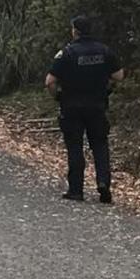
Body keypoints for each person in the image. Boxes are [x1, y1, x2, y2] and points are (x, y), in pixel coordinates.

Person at [45, 15, 125, 203]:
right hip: (97, 105)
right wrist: (108, 90)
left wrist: (57, 96)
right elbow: (119, 76)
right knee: (100, 144)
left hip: (71, 106)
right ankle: (103, 183)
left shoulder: (67, 53)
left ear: (75, 30)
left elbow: (49, 81)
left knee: (75, 146)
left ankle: (76, 190)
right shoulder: (104, 51)